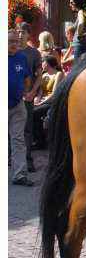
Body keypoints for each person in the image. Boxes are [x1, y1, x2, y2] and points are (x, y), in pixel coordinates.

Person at [8, 30, 34, 186]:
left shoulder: (22, 57)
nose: (14, 44)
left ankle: (19, 175)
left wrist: (25, 92)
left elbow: (26, 78)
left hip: (17, 105)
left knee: (18, 140)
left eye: (16, 41)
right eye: (11, 41)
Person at [17, 22, 42, 173]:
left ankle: (27, 159)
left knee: (27, 129)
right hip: (11, 96)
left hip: (27, 96)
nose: (20, 35)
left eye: (23, 32)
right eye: (18, 31)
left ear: (28, 35)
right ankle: (11, 157)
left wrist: (33, 91)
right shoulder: (9, 50)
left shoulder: (34, 53)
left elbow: (39, 76)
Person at [69, 0, 86, 64]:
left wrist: (79, 33)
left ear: (77, 2)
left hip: (79, 45)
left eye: (72, 2)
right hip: (85, 44)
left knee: (77, 67)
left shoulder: (80, 12)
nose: (70, 5)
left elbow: (81, 23)